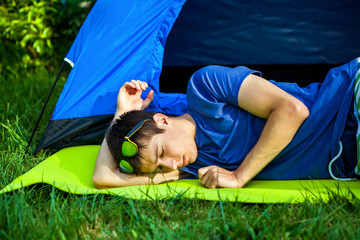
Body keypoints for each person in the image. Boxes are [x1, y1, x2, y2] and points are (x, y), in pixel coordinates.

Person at [92, 58, 360, 189]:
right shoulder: (197, 165)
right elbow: (102, 178)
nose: (172, 166)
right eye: (160, 167)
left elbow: (292, 110)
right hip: (350, 156)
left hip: (346, 102)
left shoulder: (205, 88)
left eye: (162, 153)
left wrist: (239, 176)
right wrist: (120, 115)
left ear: (163, 120)